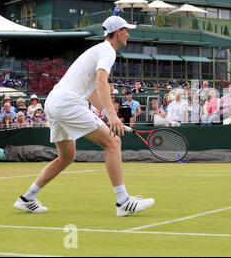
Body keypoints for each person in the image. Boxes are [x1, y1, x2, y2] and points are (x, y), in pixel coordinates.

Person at [13, 16, 155, 217]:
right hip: (67, 103)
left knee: (67, 156)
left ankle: (27, 198)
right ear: (117, 33)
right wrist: (113, 116)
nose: (128, 34)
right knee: (113, 143)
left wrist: (106, 113)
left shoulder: (97, 51)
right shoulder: (107, 50)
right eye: (126, 30)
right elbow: (101, 81)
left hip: (54, 103)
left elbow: (91, 91)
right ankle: (123, 201)